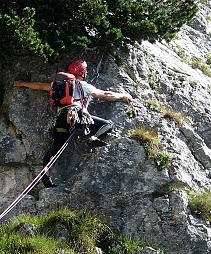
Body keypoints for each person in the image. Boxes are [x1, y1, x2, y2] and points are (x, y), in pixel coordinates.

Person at [13, 59, 133, 187]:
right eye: (85, 71)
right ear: (82, 73)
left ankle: (46, 178)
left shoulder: (57, 84)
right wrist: (123, 96)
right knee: (107, 124)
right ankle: (93, 138)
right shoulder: (83, 85)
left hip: (61, 119)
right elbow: (105, 94)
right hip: (78, 116)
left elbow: (40, 86)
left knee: (54, 149)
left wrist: (21, 83)